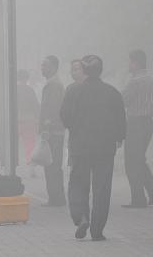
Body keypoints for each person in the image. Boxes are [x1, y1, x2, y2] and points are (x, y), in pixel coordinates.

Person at [61, 55, 126, 241]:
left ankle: (81, 217)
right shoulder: (112, 92)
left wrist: (74, 128)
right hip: (105, 148)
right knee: (102, 188)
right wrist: (119, 137)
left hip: (80, 147)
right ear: (100, 70)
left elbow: (65, 116)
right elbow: (121, 119)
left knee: (78, 183)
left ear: (85, 70)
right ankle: (97, 230)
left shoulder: (74, 91)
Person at [122, 50, 153, 208]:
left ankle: (138, 198)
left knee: (131, 162)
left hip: (135, 123)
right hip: (147, 123)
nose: (128, 65)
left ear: (136, 63)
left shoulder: (135, 82)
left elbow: (123, 100)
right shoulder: (151, 81)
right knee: (139, 160)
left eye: (130, 62)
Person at [39, 55, 66, 206]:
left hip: (53, 131)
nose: (42, 68)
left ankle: (57, 198)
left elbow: (54, 108)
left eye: (45, 65)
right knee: (52, 164)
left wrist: (46, 127)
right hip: (54, 130)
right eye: (42, 65)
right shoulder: (53, 83)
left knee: (52, 165)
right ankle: (56, 197)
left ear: (54, 67)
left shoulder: (54, 85)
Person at [17, 69, 40, 176]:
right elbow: (36, 106)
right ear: (27, 78)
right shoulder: (30, 90)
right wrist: (38, 119)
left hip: (16, 120)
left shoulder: (14, 90)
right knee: (29, 144)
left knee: (14, 145)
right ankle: (31, 168)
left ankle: (14, 167)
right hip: (29, 120)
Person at [66, 60, 87, 166]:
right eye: (72, 70)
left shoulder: (92, 87)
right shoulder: (70, 88)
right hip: (74, 132)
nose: (73, 72)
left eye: (76, 69)